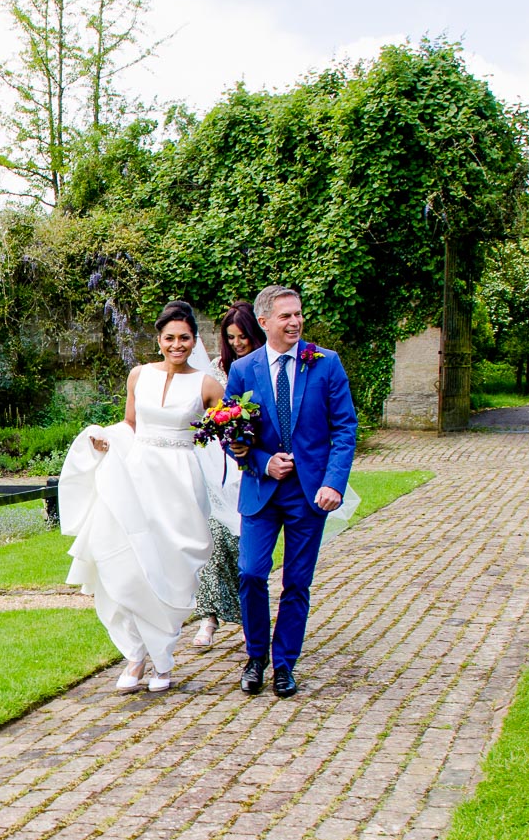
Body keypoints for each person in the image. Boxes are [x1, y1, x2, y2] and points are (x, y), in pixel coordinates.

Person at [60, 301, 222, 694]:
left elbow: (223, 436)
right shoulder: (139, 376)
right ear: (159, 339)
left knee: (170, 571)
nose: (177, 345)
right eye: (170, 338)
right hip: (137, 478)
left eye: (185, 338)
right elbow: (131, 425)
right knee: (127, 564)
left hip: (181, 485)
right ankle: (136, 654)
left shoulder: (208, 385)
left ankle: (163, 659)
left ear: (194, 341)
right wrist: (106, 440)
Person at [223, 286, 357, 699]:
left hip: (309, 493)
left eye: (298, 314)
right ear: (264, 322)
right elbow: (231, 432)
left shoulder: (326, 364)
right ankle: (255, 657)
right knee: (250, 573)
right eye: (286, 316)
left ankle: (284, 665)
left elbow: (344, 428)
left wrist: (333, 482)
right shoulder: (244, 370)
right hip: (262, 492)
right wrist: (262, 461)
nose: (296, 322)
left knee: (297, 582)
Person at [189, 301, 264, 646]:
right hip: (218, 468)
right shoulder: (218, 370)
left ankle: (251, 617)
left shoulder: (265, 368)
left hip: (254, 467)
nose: (238, 343)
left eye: (243, 336)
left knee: (242, 549)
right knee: (213, 539)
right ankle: (208, 617)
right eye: (231, 337)